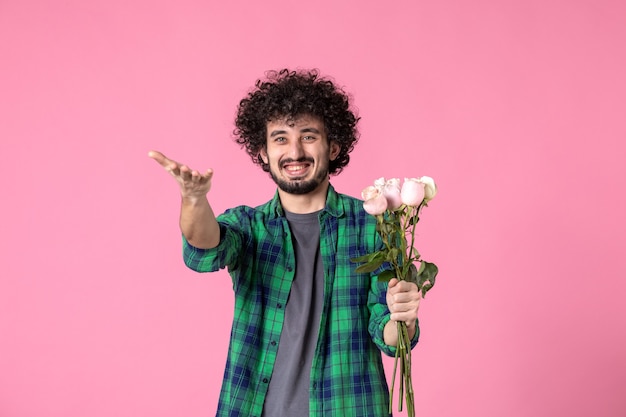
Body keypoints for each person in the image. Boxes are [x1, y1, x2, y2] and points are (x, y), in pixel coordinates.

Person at [149, 69, 424, 417]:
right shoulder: (249, 227)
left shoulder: (375, 226)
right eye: (280, 138)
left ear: (333, 146)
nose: (294, 151)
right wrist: (193, 199)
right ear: (263, 152)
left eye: (308, 136)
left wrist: (403, 319)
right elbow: (204, 247)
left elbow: (387, 331)